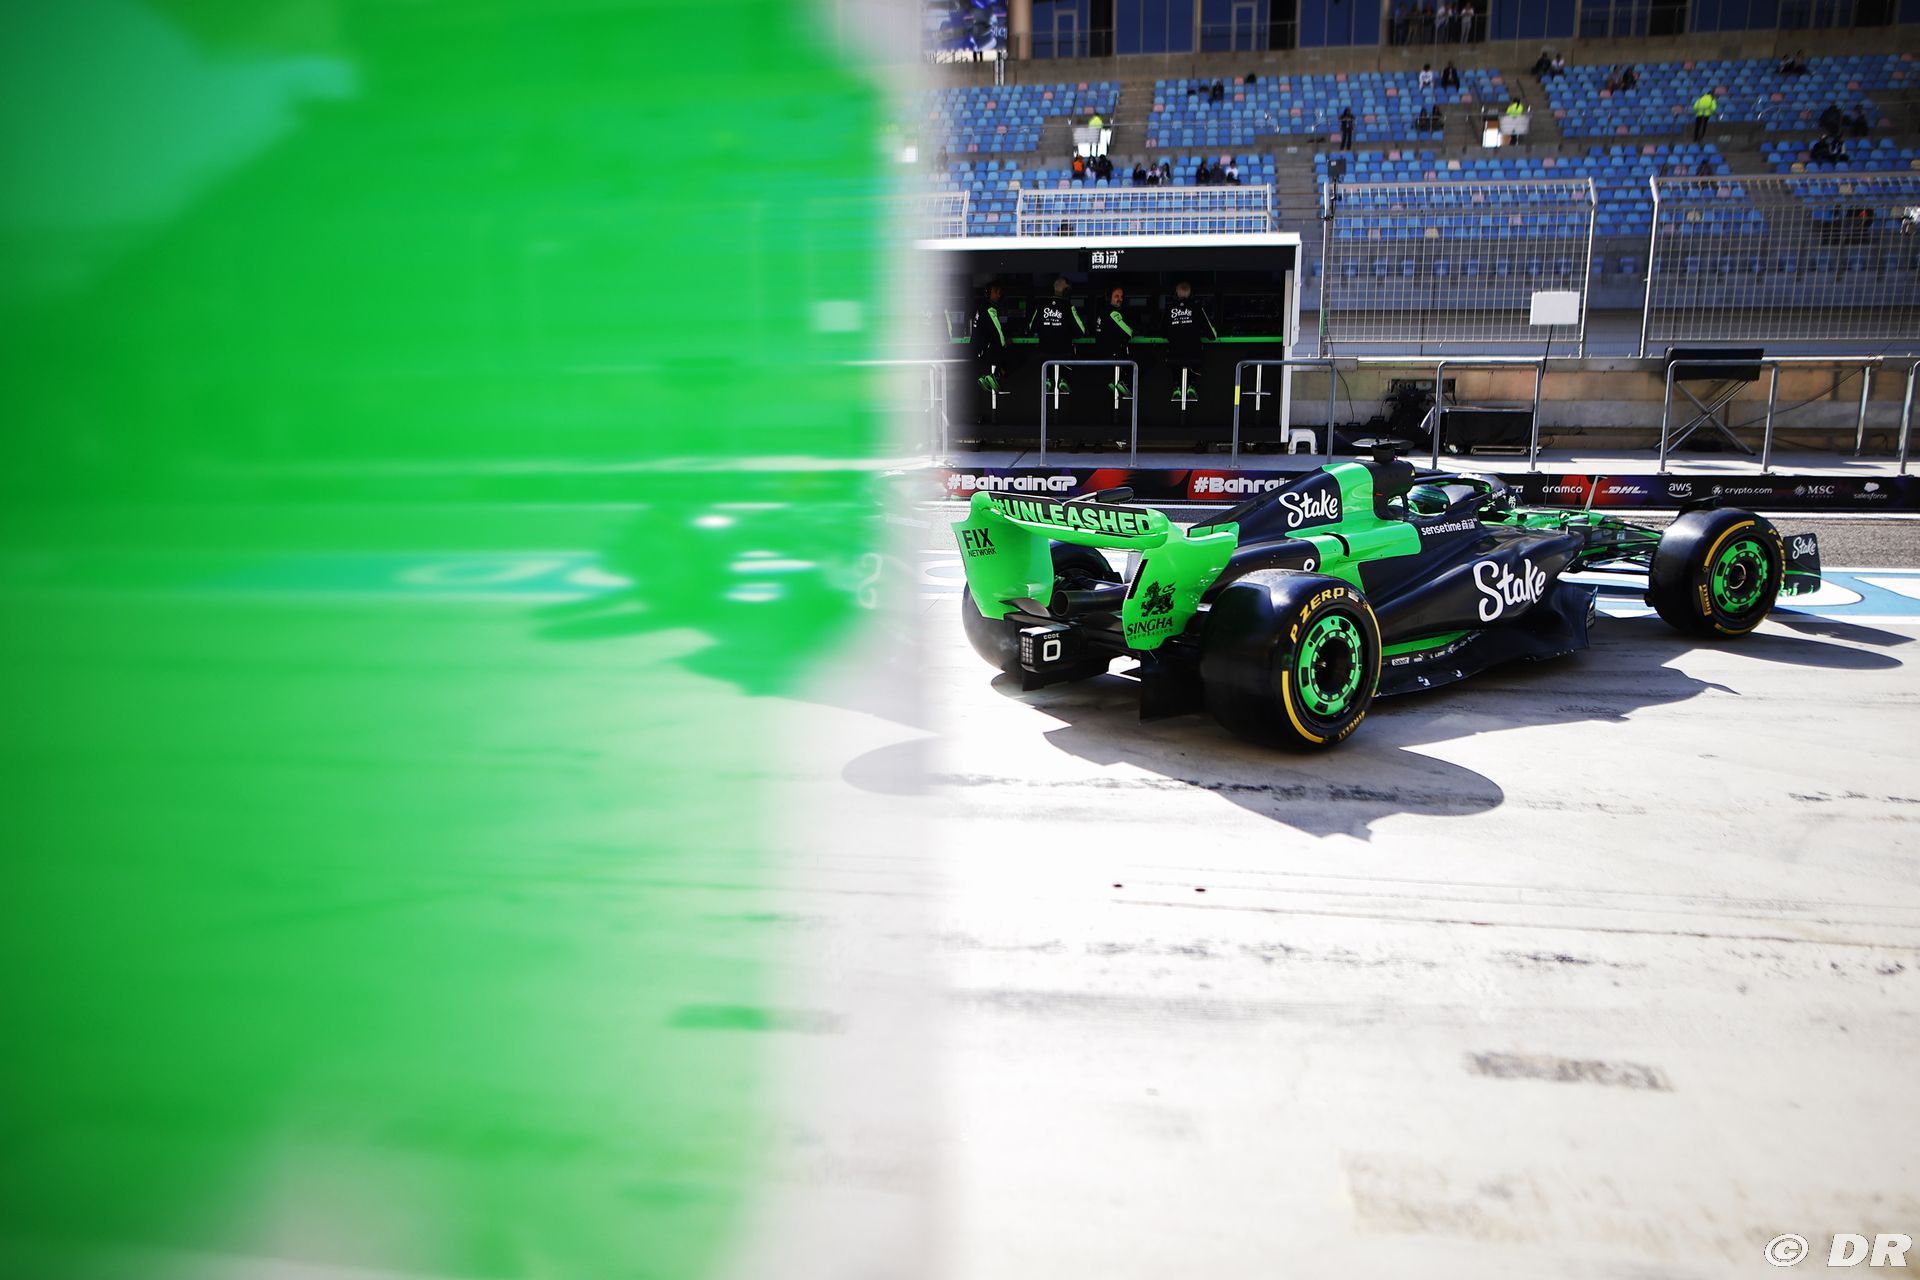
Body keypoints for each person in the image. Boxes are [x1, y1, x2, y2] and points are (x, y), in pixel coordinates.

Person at [1161, 281, 1217, 403]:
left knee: (1175, 352)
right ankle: (1192, 385)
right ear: (1191, 294)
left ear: (1175, 294)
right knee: (1196, 352)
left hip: (1173, 356)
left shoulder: (1169, 309)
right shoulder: (1197, 308)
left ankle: (1176, 386)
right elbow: (1212, 335)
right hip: (1194, 356)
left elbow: (1162, 333)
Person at [1029, 277, 1085, 396]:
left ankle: (1048, 380)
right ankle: (1063, 379)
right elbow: (1081, 331)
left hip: (1044, 354)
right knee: (1068, 360)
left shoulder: (1041, 305)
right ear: (1066, 290)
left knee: (1046, 361)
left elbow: (1031, 327)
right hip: (1064, 354)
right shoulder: (1068, 306)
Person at [970, 281, 1014, 394]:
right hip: (985, 346)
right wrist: (1004, 343)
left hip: (978, 346)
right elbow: (997, 329)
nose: (999, 294)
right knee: (1008, 355)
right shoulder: (990, 308)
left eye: (1000, 291)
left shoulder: (981, 306)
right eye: (997, 291)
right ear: (990, 293)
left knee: (995, 357)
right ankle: (994, 376)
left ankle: (986, 377)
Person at [1094, 285, 1135, 399]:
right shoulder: (1113, 313)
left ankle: (1116, 382)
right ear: (1109, 298)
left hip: (1103, 355)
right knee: (1147, 360)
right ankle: (1123, 383)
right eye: (1116, 296)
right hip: (1113, 355)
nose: (1120, 299)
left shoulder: (1102, 312)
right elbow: (1128, 333)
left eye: (1121, 297)